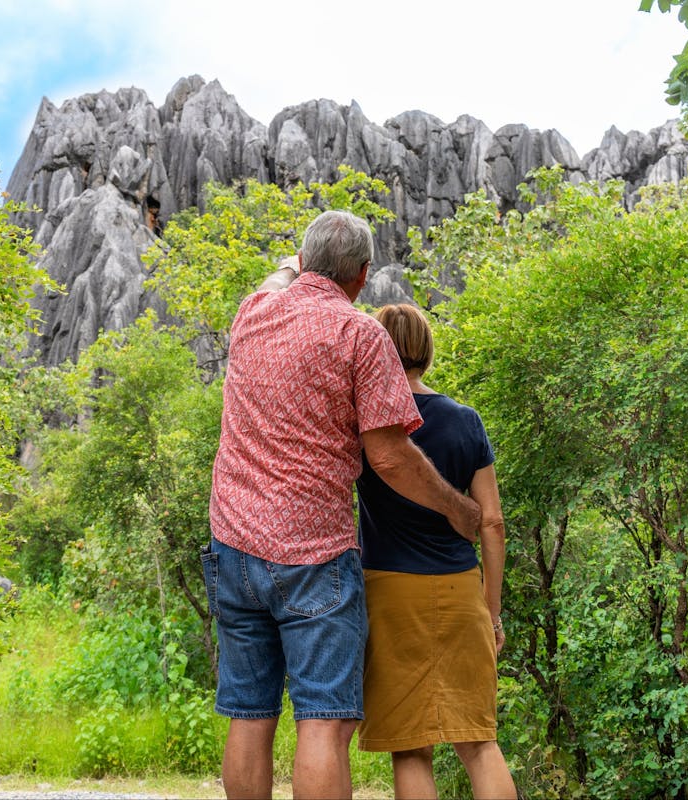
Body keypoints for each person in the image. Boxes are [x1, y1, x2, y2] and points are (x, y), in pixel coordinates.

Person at [202, 210, 482, 800]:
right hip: (314, 558)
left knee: (249, 717)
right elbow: (390, 456)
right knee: (323, 723)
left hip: (232, 548)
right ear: (362, 275)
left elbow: (278, 279)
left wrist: (290, 265)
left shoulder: (253, 313)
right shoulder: (360, 334)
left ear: (304, 263)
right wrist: (457, 511)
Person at [356, 303, 516, 800]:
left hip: (389, 594)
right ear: (425, 352)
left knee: (411, 748)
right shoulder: (465, 420)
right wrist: (490, 614)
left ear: (378, 351)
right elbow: (491, 521)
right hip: (460, 590)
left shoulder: (367, 422)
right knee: (479, 743)